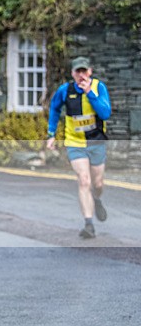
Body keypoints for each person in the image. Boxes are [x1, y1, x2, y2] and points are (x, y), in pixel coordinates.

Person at [46, 56, 112, 239]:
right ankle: (88, 224)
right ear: (72, 73)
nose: (81, 75)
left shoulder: (99, 87)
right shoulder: (65, 90)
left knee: (97, 184)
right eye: (78, 71)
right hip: (75, 143)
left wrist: (89, 92)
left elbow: (105, 113)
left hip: (96, 142)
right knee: (84, 180)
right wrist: (51, 134)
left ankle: (96, 199)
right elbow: (54, 109)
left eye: (84, 71)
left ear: (90, 72)